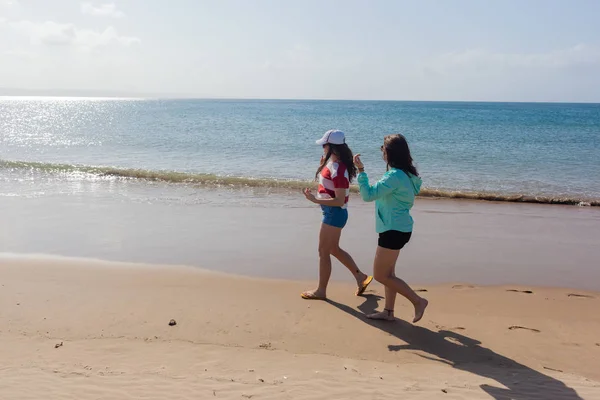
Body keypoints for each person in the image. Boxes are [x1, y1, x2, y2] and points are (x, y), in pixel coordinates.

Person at [353, 134, 428, 323]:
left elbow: (368, 195)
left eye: (383, 148)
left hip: (393, 230)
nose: (381, 151)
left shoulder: (394, 176)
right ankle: (388, 311)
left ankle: (418, 301)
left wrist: (361, 171)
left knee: (380, 275)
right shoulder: (407, 175)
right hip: (400, 228)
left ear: (390, 152)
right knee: (389, 274)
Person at [301, 129, 373, 300]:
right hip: (333, 213)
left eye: (324, 145)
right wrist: (321, 167)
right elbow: (329, 184)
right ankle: (361, 277)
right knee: (332, 249)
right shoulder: (333, 163)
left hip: (334, 213)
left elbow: (339, 200)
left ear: (331, 147)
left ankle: (321, 291)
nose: (322, 148)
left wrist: (315, 200)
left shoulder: (339, 169)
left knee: (323, 251)